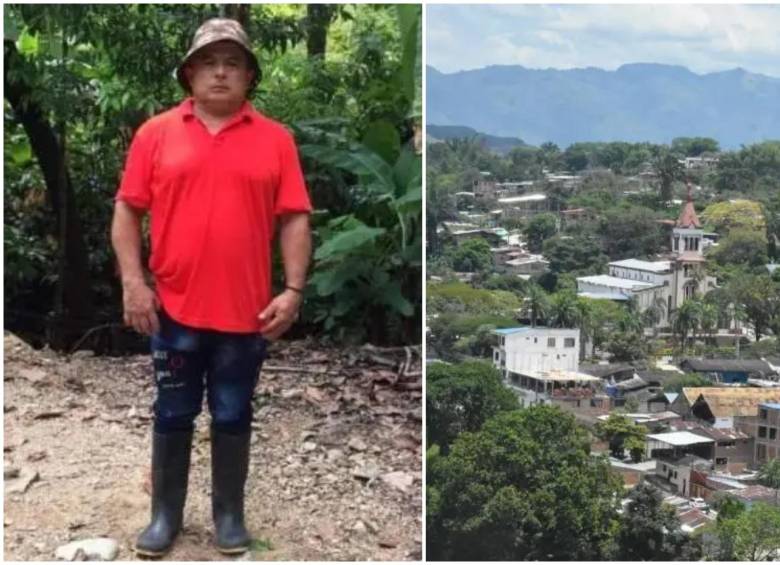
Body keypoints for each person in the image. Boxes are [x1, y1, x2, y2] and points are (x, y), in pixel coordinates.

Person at [110, 18, 312, 557]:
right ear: (190, 73)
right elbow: (128, 210)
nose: (220, 72)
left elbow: (294, 218)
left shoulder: (276, 140)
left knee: (232, 413)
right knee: (172, 412)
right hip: (172, 308)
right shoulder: (156, 133)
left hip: (246, 314)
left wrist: (292, 290)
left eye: (232, 63)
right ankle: (165, 516)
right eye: (209, 62)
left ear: (249, 76)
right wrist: (134, 283)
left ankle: (228, 515)